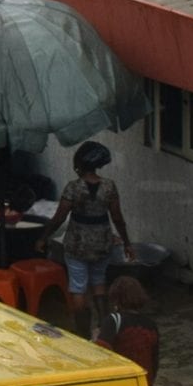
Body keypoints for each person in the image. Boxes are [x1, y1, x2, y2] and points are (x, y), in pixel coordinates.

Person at [43, 141, 135, 334]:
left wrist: (43, 236)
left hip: (76, 244)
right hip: (102, 242)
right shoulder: (109, 187)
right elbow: (118, 218)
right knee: (99, 282)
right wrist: (127, 242)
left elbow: (59, 217)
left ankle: (83, 333)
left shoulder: (73, 188)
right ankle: (105, 329)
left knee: (78, 287)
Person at [95, 276, 160, 380]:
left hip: (121, 381)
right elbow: (154, 362)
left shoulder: (113, 320)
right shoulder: (151, 325)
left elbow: (102, 351)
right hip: (143, 383)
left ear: (115, 298)